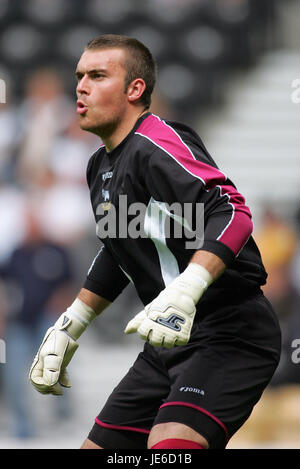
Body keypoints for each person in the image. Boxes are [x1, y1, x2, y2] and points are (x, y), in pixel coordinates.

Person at [29, 34, 281, 450]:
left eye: (97, 75)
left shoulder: (154, 142)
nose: (81, 87)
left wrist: (189, 286)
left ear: (135, 89)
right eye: (79, 76)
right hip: (164, 342)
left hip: (229, 331)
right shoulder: (99, 166)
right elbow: (118, 248)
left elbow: (232, 211)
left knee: (170, 450)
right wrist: (70, 325)